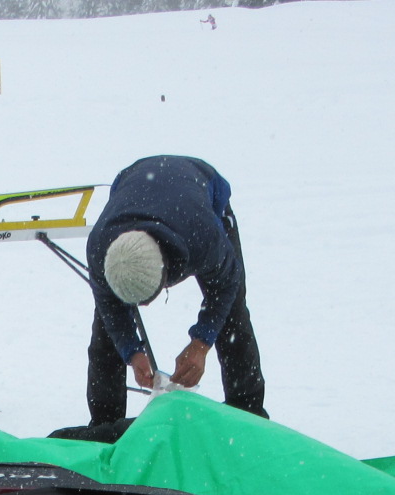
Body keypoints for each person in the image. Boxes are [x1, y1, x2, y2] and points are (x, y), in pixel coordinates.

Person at [84, 154, 265, 429]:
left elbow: (227, 285)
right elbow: (110, 308)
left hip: (199, 188)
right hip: (133, 183)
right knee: (106, 332)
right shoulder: (100, 249)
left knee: (232, 318)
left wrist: (201, 344)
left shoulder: (203, 237)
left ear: (165, 272)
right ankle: (104, 424)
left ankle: (248, 416)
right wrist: (132, 352)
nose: (143, 307)